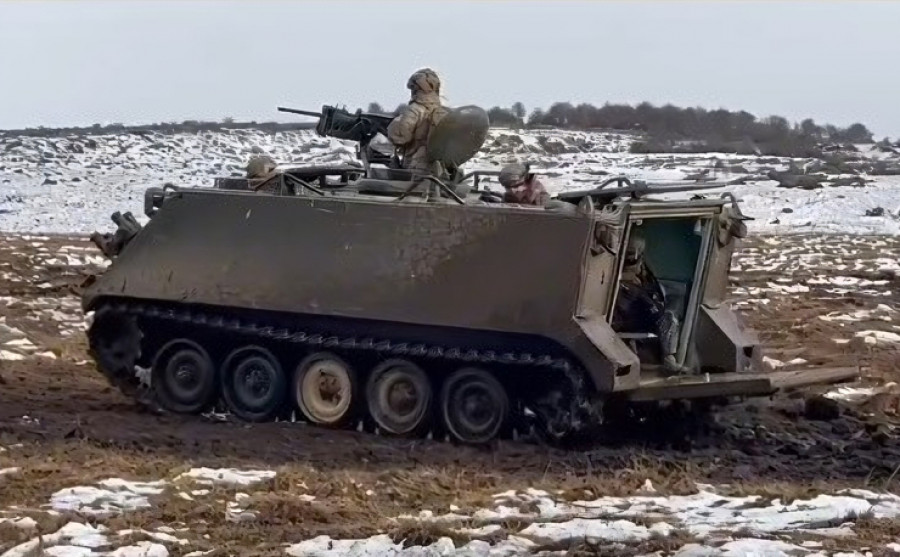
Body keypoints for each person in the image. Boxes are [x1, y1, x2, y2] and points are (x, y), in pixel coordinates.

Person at [614, 233, 688, 375]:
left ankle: (668, 358)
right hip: (627, 315)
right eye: (631, 252)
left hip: (642, 310)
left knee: (669, 316)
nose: (635, 257)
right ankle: (668, 360)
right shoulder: (618, 269)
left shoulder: (643, 271)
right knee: (667, 320)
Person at [387, 68, 449, 175]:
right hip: (438, 169)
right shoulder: (442, 112)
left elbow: (401, 138)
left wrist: (394, 124)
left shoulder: (414, 109)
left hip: (415, 167)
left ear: (415, 89)